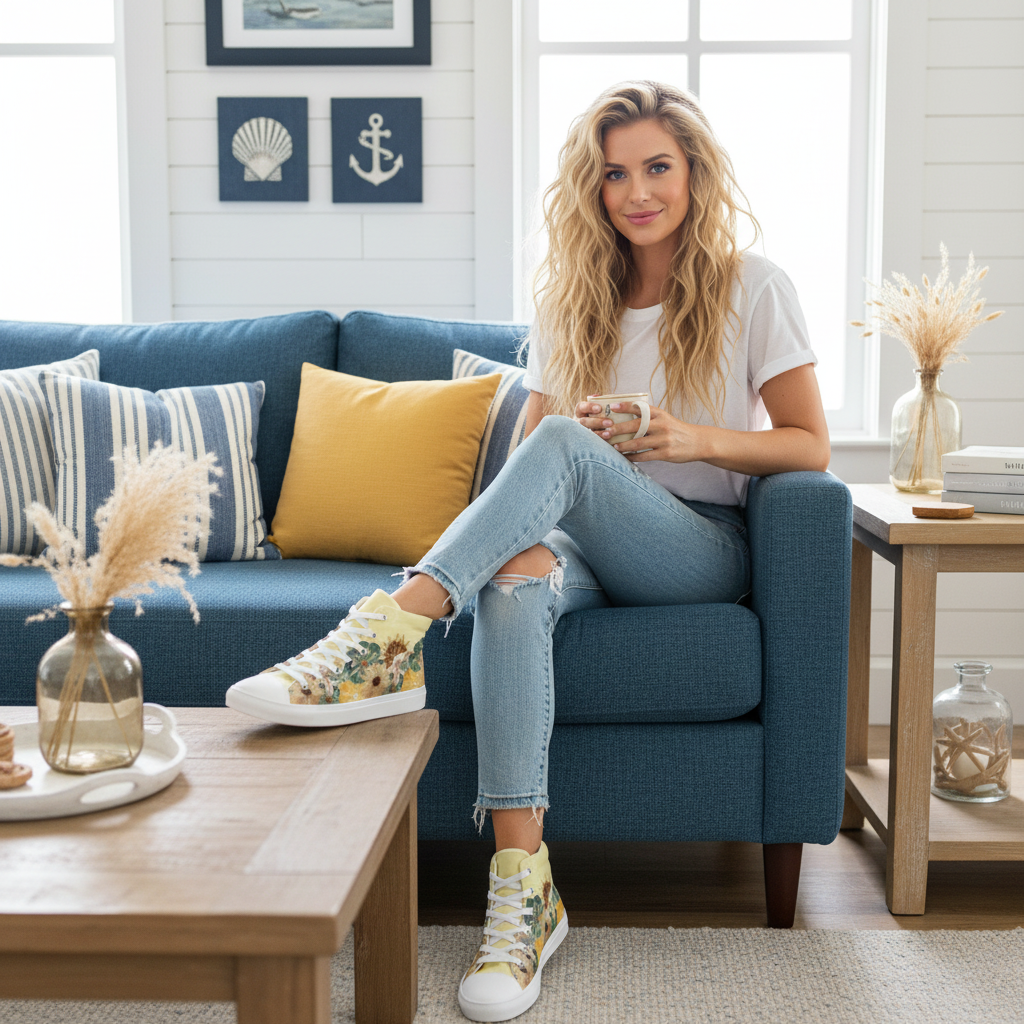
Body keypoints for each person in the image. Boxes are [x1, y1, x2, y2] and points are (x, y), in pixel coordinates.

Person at [227, 80, 830, 1022]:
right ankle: (525, 892)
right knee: (514, 577)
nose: (637, 192)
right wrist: (577, 467)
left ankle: (382, 635)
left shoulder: (756, 285)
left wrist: (688, 439)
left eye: (657, 168)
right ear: (591, 189)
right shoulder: (575, 296)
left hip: (698, 547)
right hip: (587, 539)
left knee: (560, 448)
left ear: (695, 172)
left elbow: (807, 444)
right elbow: (531, 461)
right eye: (614, 173)